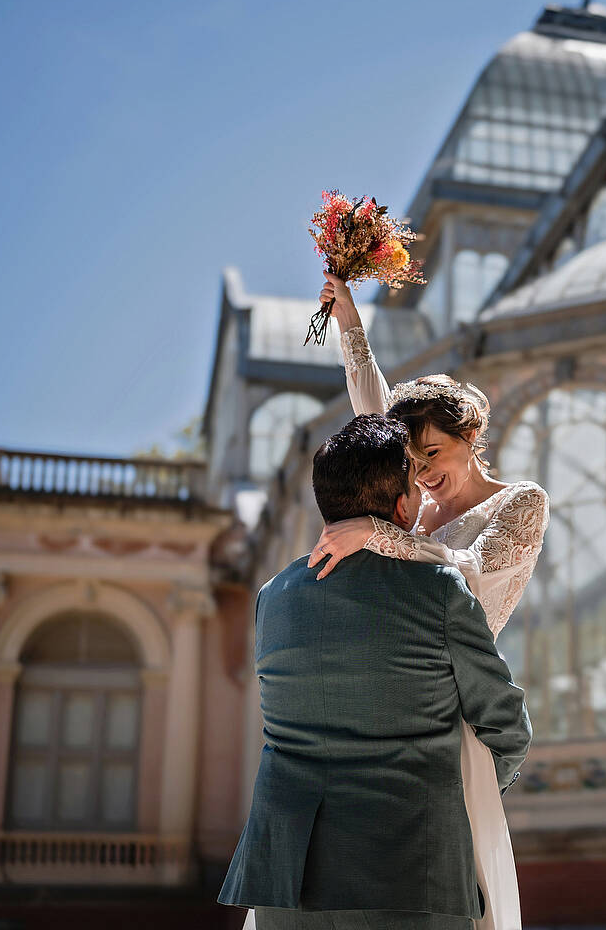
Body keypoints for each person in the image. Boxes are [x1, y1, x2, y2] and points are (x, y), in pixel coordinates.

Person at [219, 414, 531, 930]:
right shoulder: (438, 589)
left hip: (286, 879)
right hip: (411, 875)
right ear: (403, 506)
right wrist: (465, 797)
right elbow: (507, 728)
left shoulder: (272, 597)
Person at [312, 273, 548, 930]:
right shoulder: (409, 512)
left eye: (435, 452)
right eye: (411, 463)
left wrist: (378, 534)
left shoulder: (520, 502)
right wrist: (348, 315)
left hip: (453, 710)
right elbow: (370, 397)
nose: (422, 472)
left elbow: (471, 577)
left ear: (471, 435)